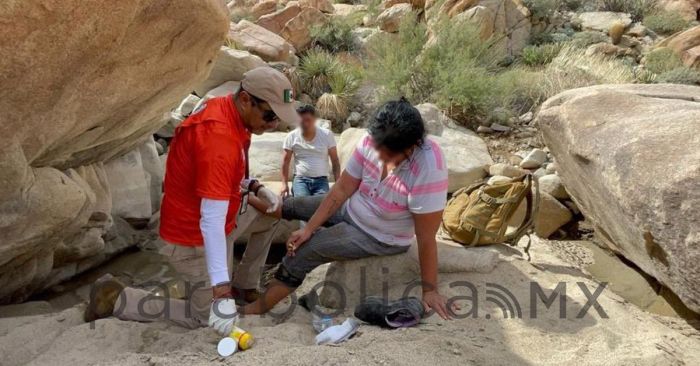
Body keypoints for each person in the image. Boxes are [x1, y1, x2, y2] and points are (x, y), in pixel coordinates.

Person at [84, 67, 301, 336]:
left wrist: (255, 186)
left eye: (278, 118)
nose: (274, 125)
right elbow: (210, 221)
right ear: (246, 99)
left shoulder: (228, 109)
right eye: (270, 115)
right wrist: (221, 291)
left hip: (221, 216)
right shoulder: (218, 138)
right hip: (192, 234)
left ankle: (244, 285)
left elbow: (225, 174)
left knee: (270, 216)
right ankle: (117, 298)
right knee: (204, 317)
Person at [242, 98, 456, 319]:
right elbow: (343, 188)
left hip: (379, 234)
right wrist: (308, 228)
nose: (382, 156)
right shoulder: (370, 139)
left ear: (412, 146)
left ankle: (259, 308)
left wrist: (430, 290)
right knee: (293, 206)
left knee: (305, 251)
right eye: (379, 147)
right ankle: (245, 196)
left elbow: (426, 236)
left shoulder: (429, 165)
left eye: (390, 153)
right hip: (352, 206)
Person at [280, 104, 340, 198]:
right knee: (303, 204)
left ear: (315, 120)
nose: (305, 124)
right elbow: (285, 161)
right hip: (300, 180)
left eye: (308, 120)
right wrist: (284, 184)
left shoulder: (327, 135)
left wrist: (338, 184)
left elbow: (335, 160)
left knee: (321, 205)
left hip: (321, 180)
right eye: (301, 121)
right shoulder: (291, 137)